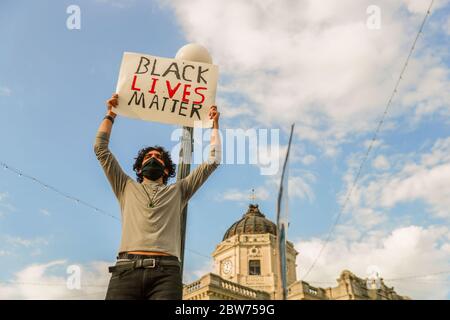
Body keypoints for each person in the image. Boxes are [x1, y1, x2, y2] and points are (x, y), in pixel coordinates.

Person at [94, 93, 221, 300]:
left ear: (165, 169)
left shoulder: (179, 190)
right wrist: (110, 114)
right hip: (125, 271)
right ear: (140, 166)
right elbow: (100, 149)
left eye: (158, 157)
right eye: (148, 156)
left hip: (166, 274)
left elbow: (213, 161)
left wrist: (214, 125)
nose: (153, 158)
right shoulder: (124, 185)